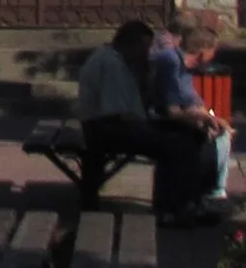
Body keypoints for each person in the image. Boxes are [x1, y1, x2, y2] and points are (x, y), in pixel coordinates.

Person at [77, 19, 213, 220]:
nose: (147, 53)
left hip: (113, 125)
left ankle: (182, 203)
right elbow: (118, 112)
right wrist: (153, 127)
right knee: (176, 143)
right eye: (145, 47)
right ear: (132, 44)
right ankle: (178, 207)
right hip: (106, 130)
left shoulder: (116, 59)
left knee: (186, 134)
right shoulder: (110, 63)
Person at [146, 11, 232, 217]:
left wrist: (213, 119)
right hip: (159, 120)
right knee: (205, 139)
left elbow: (193, 102)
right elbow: (171, 110)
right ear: (204, 52)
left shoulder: (182, 65)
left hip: (174, 119)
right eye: (213, 52)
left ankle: (201, 196)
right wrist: (202, 121)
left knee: (220, 134)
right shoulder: (171, 63)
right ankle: (192, 201)